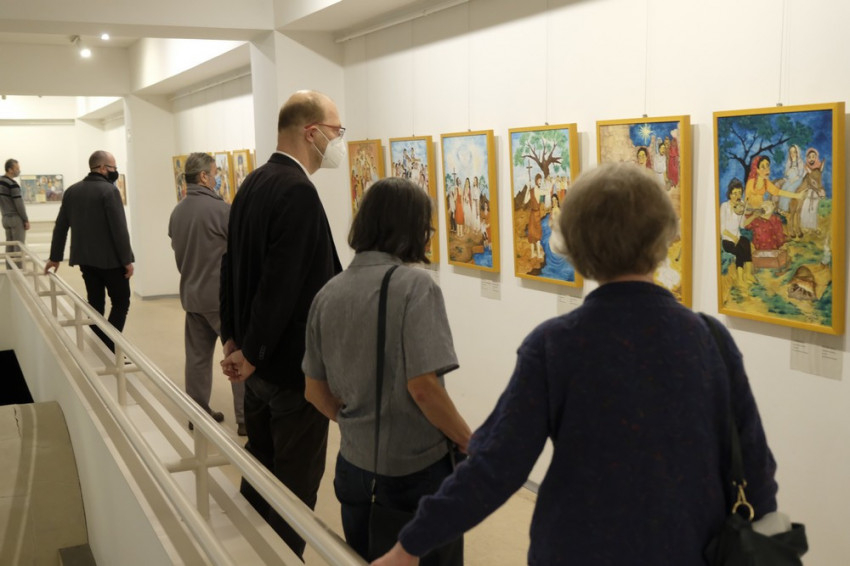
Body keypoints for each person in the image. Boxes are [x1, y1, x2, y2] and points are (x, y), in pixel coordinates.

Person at [372, 163, 778, 566]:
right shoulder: (711, 340)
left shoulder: (557, 345)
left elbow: (495, 466)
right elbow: (755, 469)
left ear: (575, 244)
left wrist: (409, 545)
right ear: (664, 235)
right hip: (688, 550)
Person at [303, 177, 471, 564]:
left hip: (353, 467)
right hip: (414, 473)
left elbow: (314, 391)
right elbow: (423, 388)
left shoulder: (327, 293)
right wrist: (469, 439)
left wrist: (358, 423)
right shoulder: (415, 287)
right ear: (410, 228)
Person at [219, 90, 344, 558]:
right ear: (311, 133)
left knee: (260, 470)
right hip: (292, 371)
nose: (338, 140)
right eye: (335, 131)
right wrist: (251, 352)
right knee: (294, 487)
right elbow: (281, 286)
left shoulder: (252, 182)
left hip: (258, 366)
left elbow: (229, 268)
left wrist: (233, 340)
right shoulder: (297, 191)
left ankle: (251, 553)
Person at [168, 152, 245, 435]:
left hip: (192, 297)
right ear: (203, 176)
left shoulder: (177, 212)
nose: (217, 178)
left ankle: (197, 414)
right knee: (236, 355)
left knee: (197, 359)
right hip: (221, 300)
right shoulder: (222, 211)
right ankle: (245, 419)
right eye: (215, 173)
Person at [44, 151, 134, 353]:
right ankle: (109, 346)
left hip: (85, 260)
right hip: (111, 261)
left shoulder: (72, 191)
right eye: (113, 167)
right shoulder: (109, 191)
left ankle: (100, 344)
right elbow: (119, 230)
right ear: (102, 168)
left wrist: (55, 257)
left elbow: (61, 226)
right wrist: (127, 260)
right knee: (121, 302)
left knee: (94, 304)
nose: (115, 171)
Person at [720, 178, 756, 286]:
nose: (737, 196)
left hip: (738, 237)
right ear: (730, 194)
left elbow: (742, 225)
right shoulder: (724, 207)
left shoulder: (741, 206)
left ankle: (748, 274)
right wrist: (733, 237)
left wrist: (754, 216)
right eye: (734, 193)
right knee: (739, 250)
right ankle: (740, 279)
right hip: (727, 240)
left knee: (745, 242)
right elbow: (722, 229)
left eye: (740, 193)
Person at [1, 159, 30, 267]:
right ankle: (19, 271)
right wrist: (25, 219)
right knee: (19, 247)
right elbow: (19, 204)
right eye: (17, 168)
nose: (19, 170)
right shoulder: (13, 184)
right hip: (15, 218)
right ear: (10, 169)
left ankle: (10, 270)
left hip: (5, 218)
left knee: (9, 246)